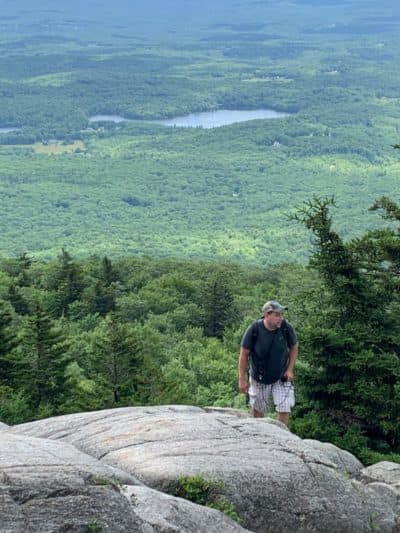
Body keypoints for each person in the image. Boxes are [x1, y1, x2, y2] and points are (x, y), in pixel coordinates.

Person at [238, 300, 299, 425]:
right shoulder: (254, 329)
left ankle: (282, 436)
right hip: (259, 376)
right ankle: (259, 435)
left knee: (284, 407)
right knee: (259, 409)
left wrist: (290, 369)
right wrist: (242, 379)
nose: (281, 318)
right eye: (277, 315)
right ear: (267, 315)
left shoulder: (286, 327)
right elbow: (244, 355)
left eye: (282, 315)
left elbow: (294, 346)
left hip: (281, 375)